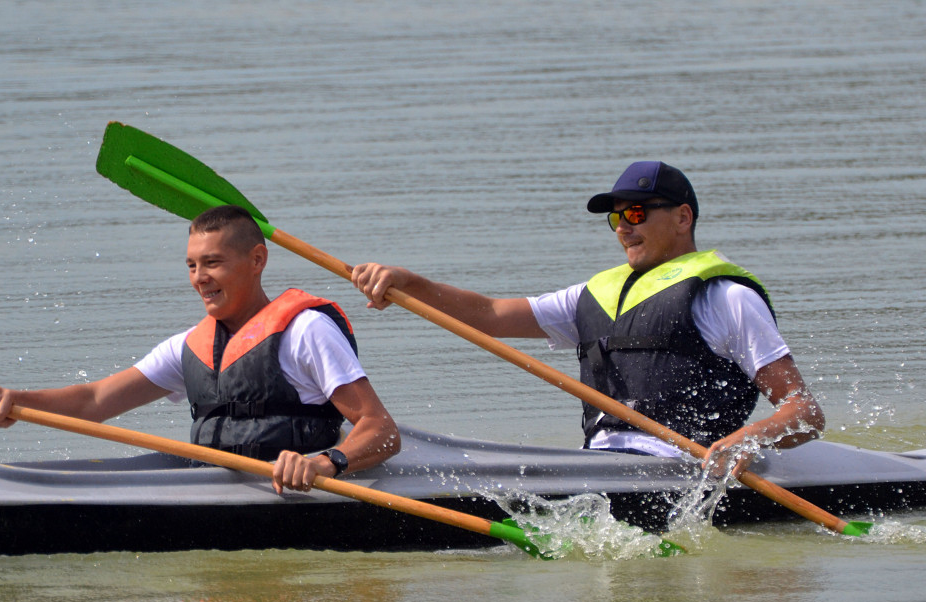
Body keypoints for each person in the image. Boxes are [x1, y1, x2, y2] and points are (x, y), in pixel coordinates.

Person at [351, 161, 824, 477]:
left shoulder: (726, 298)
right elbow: (489, 315)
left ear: (683, 218)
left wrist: (744, 443)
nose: (623, 226)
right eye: (616, 218)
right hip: (599, 466)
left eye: (636, 212)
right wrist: (409, 283)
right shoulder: (594, 295)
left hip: (683, 469)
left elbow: (804, 413)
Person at [0, 204, 400, 493]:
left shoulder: (306, 332)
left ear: (257, 260)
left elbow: (381, 430)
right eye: (192, 265)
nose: (200, 278)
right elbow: (95, 401)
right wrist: (16, 401)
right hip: (216, 488)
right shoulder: (189, 348)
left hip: (295, 494)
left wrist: (326, 463)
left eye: (213, 263)